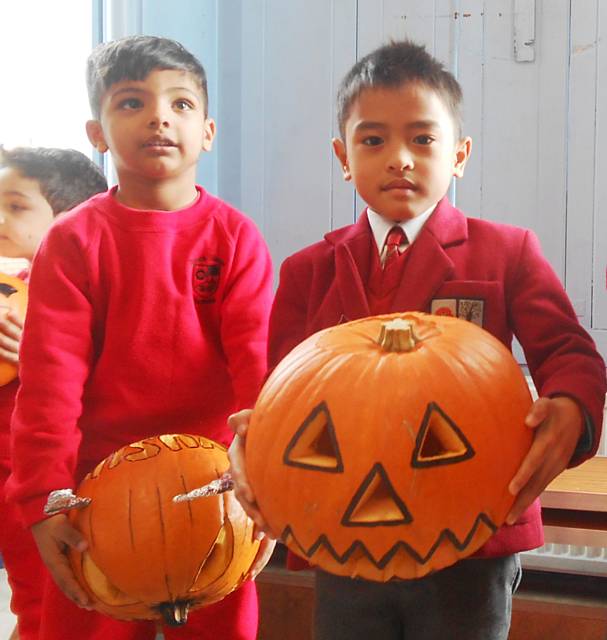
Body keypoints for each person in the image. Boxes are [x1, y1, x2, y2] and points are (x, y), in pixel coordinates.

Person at [228, 40, 607, 640]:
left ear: (459, 154)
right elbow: (278, 392)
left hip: (471, 529)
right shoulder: (308, 270)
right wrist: (251, 447)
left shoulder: (507, 253)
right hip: (344, 528)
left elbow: (568, 352)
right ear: (344, 157)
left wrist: (570, 407)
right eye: (373, 140)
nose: (399, 158)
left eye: (423, 139)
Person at [6, 36, 274, 640]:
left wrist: (268, 479)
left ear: (208, 131)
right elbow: (49, 382)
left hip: (214, 489)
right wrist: (44, 498)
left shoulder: (236, 238)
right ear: (96, 132)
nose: (158, 116)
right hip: (93, 493)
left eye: (180, 104)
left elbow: (258, 376)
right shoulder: (74, 242)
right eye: (131, 103)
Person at [0, 145, 107, 640]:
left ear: (70, 219)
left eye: (17, 206)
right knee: (29, 598)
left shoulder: (84, 292)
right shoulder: (12, 286)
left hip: (56, 486)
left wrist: (38, 358)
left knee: (57, 600)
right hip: (13, 486)